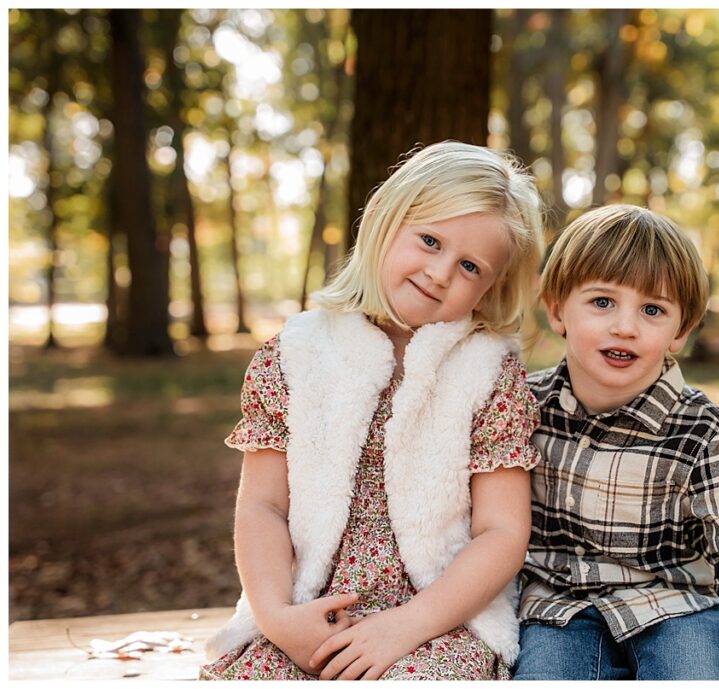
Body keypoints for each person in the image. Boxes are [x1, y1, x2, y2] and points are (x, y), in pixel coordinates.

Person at [200, 141, 546, 680]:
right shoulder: (294, 356)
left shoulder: (488, 375)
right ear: (386, 219)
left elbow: (502, 532)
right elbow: (262, 507)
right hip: (308, 607)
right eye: (429, 240)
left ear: (489, 288)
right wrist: (277, 617)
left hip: (436, 618)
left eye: (469, 266)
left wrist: (406, 626)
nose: (439, 272)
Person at [512, 204, 719, 680]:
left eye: (652, 309)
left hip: (675, 605)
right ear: (556, 310)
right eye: (602, 302)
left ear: (681, 331)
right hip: (557, 606)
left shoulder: (698, 430)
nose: (625, 326)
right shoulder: (523, 406)